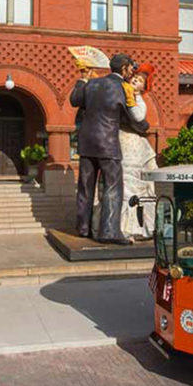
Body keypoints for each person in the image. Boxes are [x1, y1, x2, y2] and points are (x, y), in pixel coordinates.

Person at [69, 53, 148, 244]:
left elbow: (74, 99)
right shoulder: (124, 88)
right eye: (131, 68)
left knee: (85, 188)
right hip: (108, 146)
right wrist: (144, 128)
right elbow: (133, 117)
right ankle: (109, 232)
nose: (132, 71)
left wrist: (83, 78)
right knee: (113, 188)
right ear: (123, 69)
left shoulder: (92, 84)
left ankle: (83, 228)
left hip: (87, 144)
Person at [119, 64, 158, 242]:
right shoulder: (122, 94)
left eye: (141, 80)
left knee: (145, 187)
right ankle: (126, 228)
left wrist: (133, 96)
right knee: (126, 186)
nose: (136, 79)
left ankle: (146, 227)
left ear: (144, 86)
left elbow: (139, 117)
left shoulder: (138, 100)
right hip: (124, 143)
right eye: (135, 76)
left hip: (137, 146)